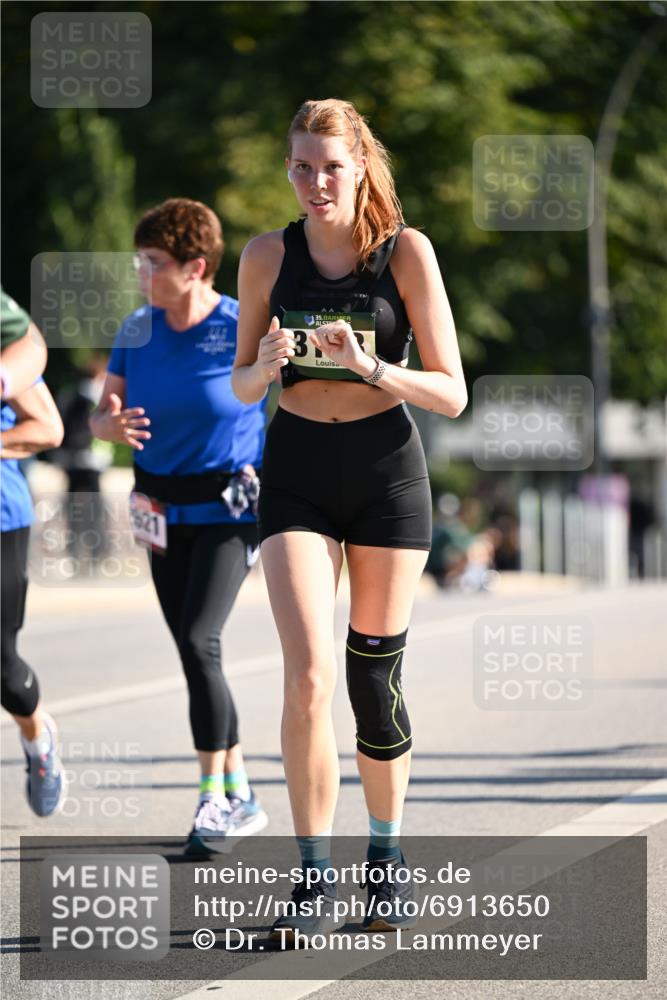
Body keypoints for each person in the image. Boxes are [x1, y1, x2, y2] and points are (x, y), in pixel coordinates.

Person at [232, 99, 467, 938]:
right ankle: (310, 875)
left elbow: (451, 390)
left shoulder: (406, 252)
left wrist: (373, 367)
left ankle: (385, 857)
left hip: (384, 475)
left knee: (373, 681)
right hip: (294, 470)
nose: (315, 182)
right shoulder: (266, 255)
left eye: (330, 166)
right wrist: (261, 366)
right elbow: (240, 388)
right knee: (304, 676)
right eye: (300, 166)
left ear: (360, 166)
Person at [90, 198, 268, 856]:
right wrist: (106, 428)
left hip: (227, 510)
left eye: (154, 262)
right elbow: (102, 414)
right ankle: (242, 791)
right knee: (195, 658)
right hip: (158, 511)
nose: (142, 273)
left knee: (200, 642)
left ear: (196, 266)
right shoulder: (138, 328)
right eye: (139, 260)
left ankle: (211, 799)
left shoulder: (240, 324)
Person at [1, 290, 66, 816]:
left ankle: (36, 734)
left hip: (2, 517)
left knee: (2, 670)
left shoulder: (10, 352)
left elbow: (48, 427)